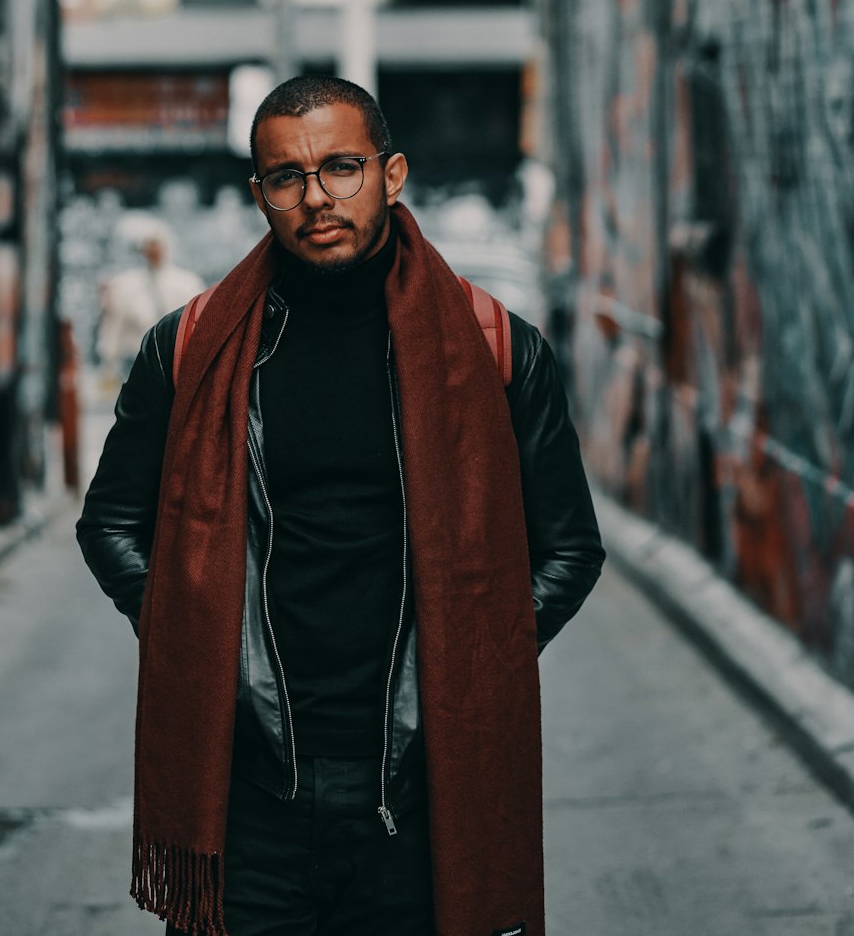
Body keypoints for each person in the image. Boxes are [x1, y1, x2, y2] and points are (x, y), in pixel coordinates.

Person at [77, 76, 605, 936]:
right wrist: (190, 632)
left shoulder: (496, 348)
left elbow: (569, 549)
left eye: (342, 168)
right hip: (244, 794)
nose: (315, 197)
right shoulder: (190, 349)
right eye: (286, 178)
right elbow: (110, 524)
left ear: (391, 175)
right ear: (261, 196)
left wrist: (474, 660)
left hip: (424, 793)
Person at [95, 215, 204, 381]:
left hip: (176, 363)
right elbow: (114, 327)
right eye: (149, 245)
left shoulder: (188, 283)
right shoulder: (124, 286)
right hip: (136, 361)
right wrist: (109, 362)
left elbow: (199, 324)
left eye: (157, 244)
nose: (153, 251)